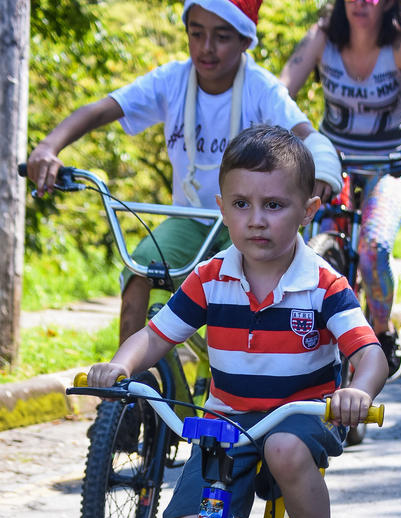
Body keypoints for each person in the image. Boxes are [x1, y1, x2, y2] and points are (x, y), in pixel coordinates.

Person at [86, 125, 389, 518]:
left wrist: (360, 391)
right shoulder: (209, 278)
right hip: (227, 422)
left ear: (308, 211)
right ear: (222, 208)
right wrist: (121, 365)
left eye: (274, 205)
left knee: (285, 448)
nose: (257, 220)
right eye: (241, 204)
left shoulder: (323, 285)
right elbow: (155, 336)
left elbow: (369, 354)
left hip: (303, 417)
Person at [26, 0, 342, 344]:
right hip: (189, 219)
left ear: (245, 41)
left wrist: (323, 170)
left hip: (244, 218)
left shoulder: (260, 88)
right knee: (140, 270)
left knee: (249, 282)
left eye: (221, 36)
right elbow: (101, 110)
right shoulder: (171, 80)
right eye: (196, 34)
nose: (206, 47)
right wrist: (47, 147)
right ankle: (126, 387)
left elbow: (308, 135)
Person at [278, 0, 401, 378]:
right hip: (332, 161)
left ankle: (381, 330)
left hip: (392, 164)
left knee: (373, 247)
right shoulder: (323, 36)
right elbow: (282, 90)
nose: (362, 2)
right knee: (303, 241)